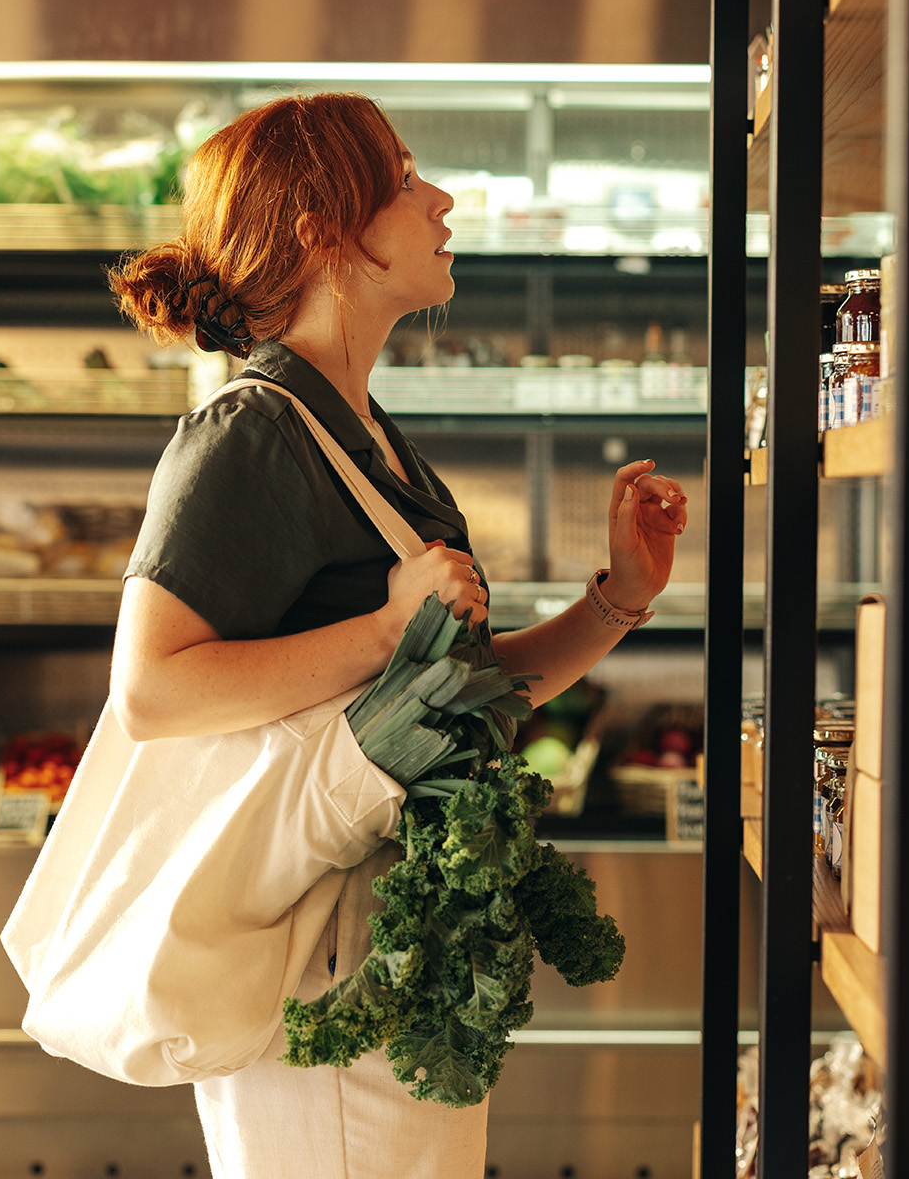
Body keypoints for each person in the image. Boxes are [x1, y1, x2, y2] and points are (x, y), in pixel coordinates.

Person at [107, 92, 689, 1177]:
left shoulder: (360, 432)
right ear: (330, 233)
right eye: (407, 177)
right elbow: (152, 688)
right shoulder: (250, 431)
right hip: (317, 958)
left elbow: (456, 687)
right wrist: (383, 626)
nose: (442, 198)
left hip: (387, 944)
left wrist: (614, 599)